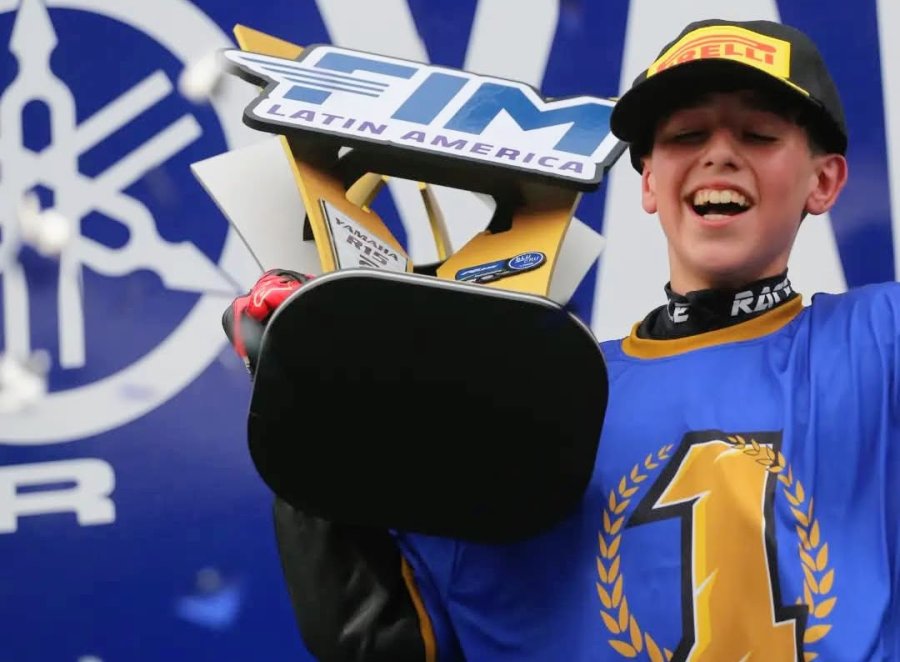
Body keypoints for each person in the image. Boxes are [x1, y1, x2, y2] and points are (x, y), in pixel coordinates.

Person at [224, 18, 899, 661]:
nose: (719, 153)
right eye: (687, 135)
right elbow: (388, 637)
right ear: (650, 183)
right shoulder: (540, 397)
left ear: (825, 180)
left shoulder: (879, 343)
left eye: (757, 134)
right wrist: (307, 389)